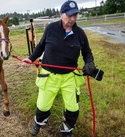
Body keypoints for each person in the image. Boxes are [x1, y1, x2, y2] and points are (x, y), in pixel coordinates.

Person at [21, 0, 96, 136]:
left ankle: (67, 130)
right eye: (69, 15)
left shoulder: (80, 33)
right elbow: (40, 47)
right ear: (61, 14)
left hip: (70, 77)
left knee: (73, 108)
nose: (72, 19)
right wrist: (31, 58)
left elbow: (87, 52)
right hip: (49, 76)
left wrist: (90, 62)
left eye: (75, 15)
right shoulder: (50, 29)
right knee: (43, 106)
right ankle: (39, 122)